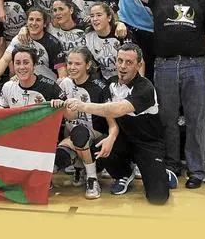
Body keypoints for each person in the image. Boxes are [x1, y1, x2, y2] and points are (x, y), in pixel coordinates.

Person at [116, 0, 205, 189]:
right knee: (168, 119)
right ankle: (171, 166)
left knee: (195, 119)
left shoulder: (203, 2)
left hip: (195, 65)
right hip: (165, 66)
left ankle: (196, 169)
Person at [65, 43, 173, 205]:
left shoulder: (145, 88)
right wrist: (111, 137)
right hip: (123, 138)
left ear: (139, 65)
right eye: (119, 60)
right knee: (100, 148)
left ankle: (162, 173)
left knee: (158, 198)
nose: (122, 66)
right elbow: (110, 117)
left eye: (129, 62)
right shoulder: (110, 84)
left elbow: (118, 109)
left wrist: (83, 106)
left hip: (148, 143)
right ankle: (124, 174)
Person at [54, 47, 117, 199]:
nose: (72, 67)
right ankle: (78, 167)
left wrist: (111, 138)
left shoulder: (100, 87)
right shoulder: (64, 84)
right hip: (73, 139)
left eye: (77, 64)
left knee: (80, 132)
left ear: (88, 65)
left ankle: (92, 178)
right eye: (69, 63)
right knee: (56, 161)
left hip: (96, 140)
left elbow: (112, 123)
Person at [0, 7, 66, 82]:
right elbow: (5, 60)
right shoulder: (19, 38)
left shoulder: (53, 43)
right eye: (31, 19)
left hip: (47, 84)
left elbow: (62, 71)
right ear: (27, 22)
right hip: (26, 82)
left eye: (38, 20)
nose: (34, 23)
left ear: (44, 24)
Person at [0, 45, 64, 108]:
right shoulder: (8, 87)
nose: (22, 67)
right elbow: (3, 112)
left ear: (34, 64)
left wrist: (60, 104)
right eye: (18, 63)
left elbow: (69, 113)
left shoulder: (50, 86)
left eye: (26, 63)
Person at [85, 2, 134, 81]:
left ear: (109, 17)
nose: (95, 19)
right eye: (92, 16)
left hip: (128, 79)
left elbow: (138, 60)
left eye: (99, 15)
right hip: (107, 81)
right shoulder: (88, 36)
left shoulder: (121, 31)